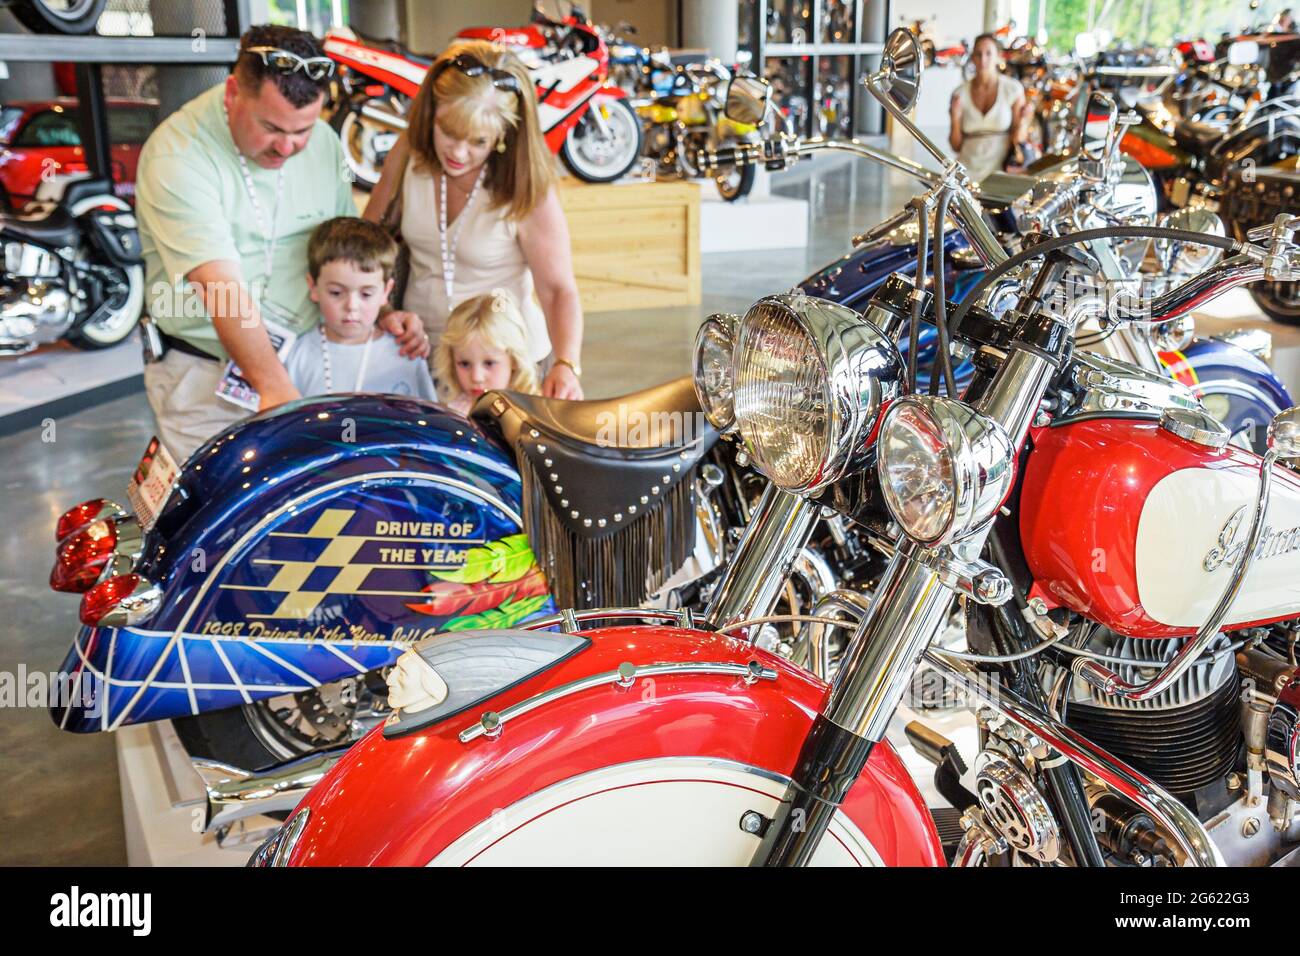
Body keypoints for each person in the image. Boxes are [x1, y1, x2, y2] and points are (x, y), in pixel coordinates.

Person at [135, 24, 428, 460]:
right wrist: (275, 389)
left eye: (303, 129)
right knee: (217, 515)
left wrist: (379, 311)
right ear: (233, 93)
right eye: (272, 127)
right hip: (206, 375)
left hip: (303, 362)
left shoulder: (325, 145)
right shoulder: (178, 154)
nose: (289, 146)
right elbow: (220, 288)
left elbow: (344, 250)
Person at [364, 39, 584, 401]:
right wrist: (385, 310)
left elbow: (558, 289)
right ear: (431, 111)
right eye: (447, 132)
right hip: (421, 356)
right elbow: (367, 250)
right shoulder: (408, 154)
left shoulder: (525, 185)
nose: (458, 152)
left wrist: (566, 363)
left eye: (478, 141)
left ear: (503, 137)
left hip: (502, 367)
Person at [286, 217, 437, 400]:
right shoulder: (297, 356)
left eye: (366, 295)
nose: (351, 306)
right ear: (313, 288)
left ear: (386, 291)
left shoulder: (406, 354)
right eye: (336, 292)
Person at [434, 289, 540, 415]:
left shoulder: (529, 413)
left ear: (514, 360)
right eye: (464, 364)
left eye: (489, 363)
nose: (476, 377)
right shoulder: (452, 411)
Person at [948, 33, 1030, 181]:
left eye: (988, 53)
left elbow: (1019, 139)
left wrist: (1024, 120)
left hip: (1000, 171)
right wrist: (955, 117)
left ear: (998, 56)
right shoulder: (960, 93)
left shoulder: (1013, 89)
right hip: (967, 171)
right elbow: (956, 146)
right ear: (972, 57)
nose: (983, 59)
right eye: (978, 54)